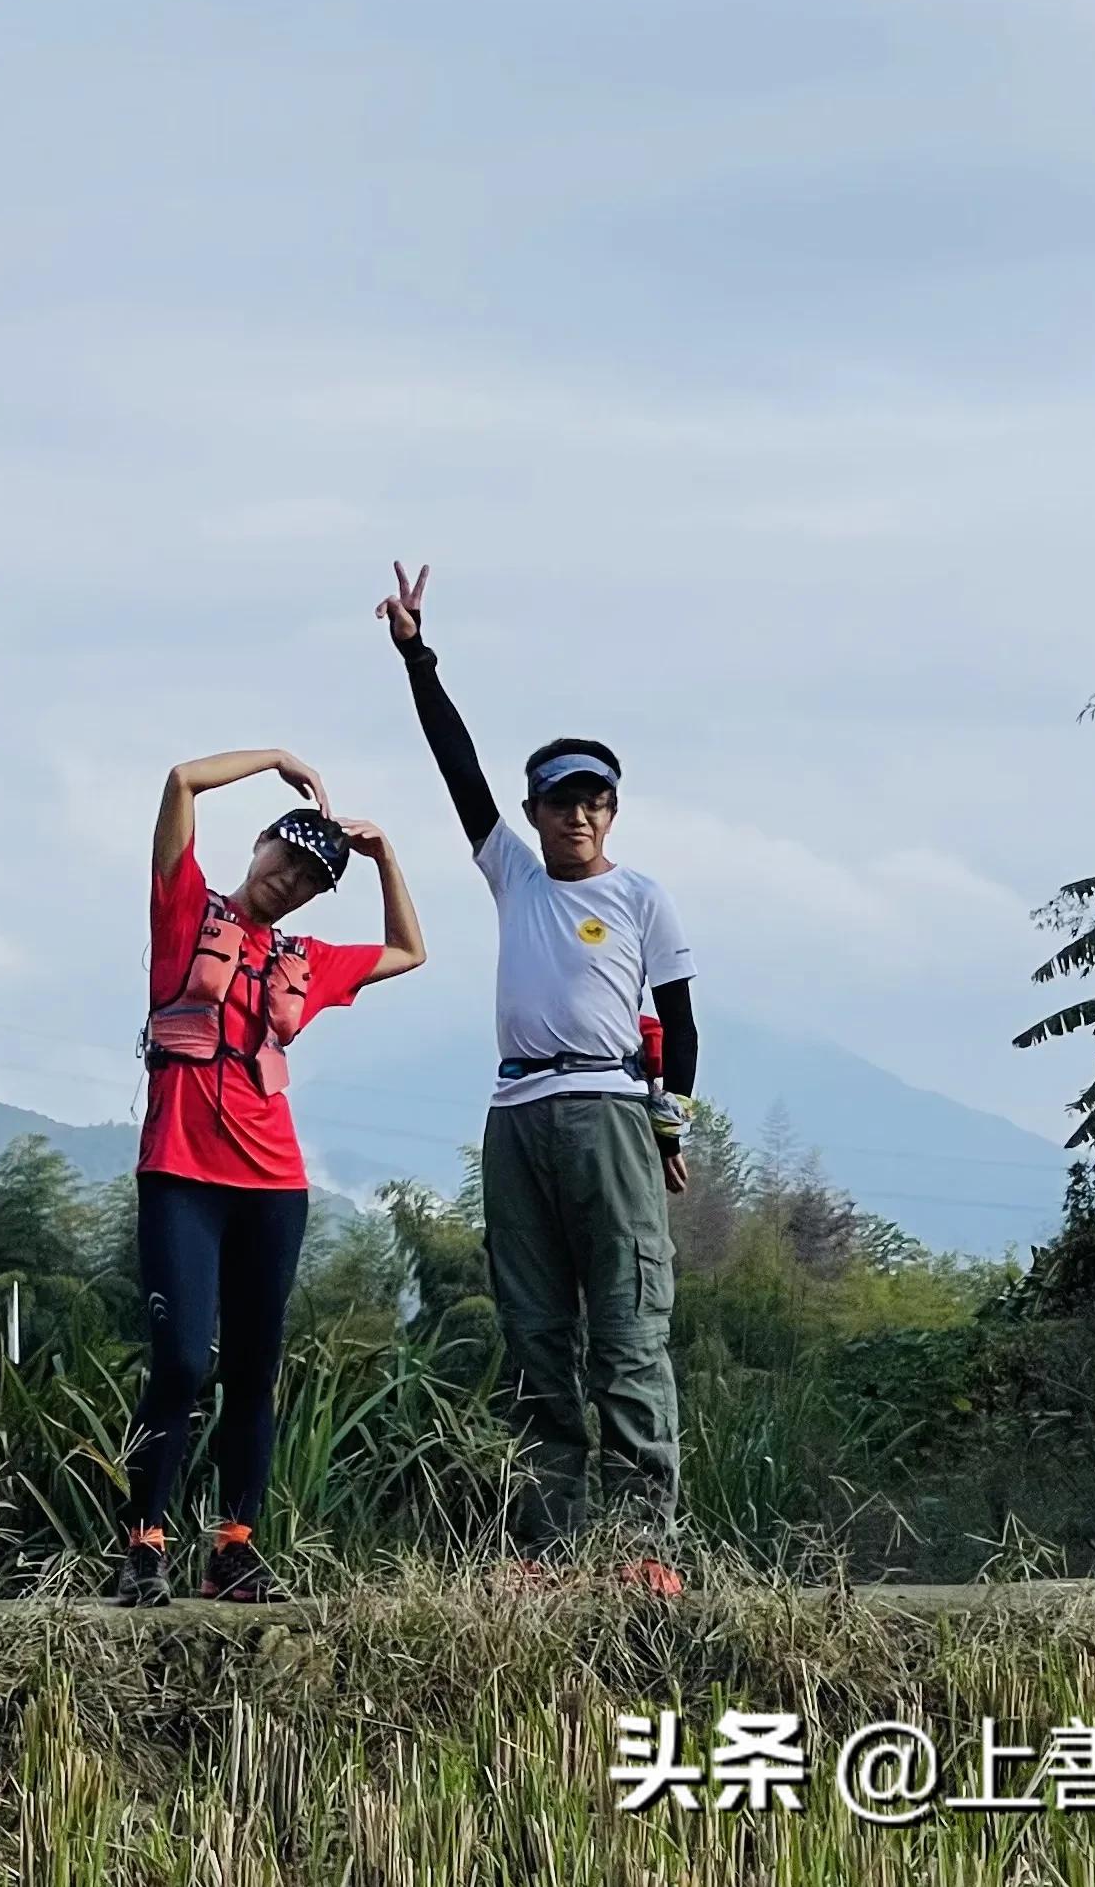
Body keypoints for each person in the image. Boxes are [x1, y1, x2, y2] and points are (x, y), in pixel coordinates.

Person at [378, 562, 699, 1578]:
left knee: (627, 1326)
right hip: (518, 1110)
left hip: (609, 1110)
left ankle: (644, 1541)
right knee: (534, 1331)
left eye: (593, 802)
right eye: (559, 803)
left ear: (613, 810)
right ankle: (550, 1546)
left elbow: (680, 1022)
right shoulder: (513, 874)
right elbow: (456, 768)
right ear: (535, 809)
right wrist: (417, 657)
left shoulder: (644, 897)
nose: (576, 818)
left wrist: (670, 1122)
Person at [115, 750, 425, 1607]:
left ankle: (234, 1549)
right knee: (179, 1362)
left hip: (274, 1186)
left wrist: (383, 854)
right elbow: (177, 780)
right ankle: (144, 1543)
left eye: (309, 878)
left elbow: (409, 949)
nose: (288, 881)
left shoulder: (305, 959)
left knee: (253, 1369)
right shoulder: (184, 914)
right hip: (180, 1171)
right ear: (258, 846)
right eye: (284, 859)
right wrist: (278, 760)